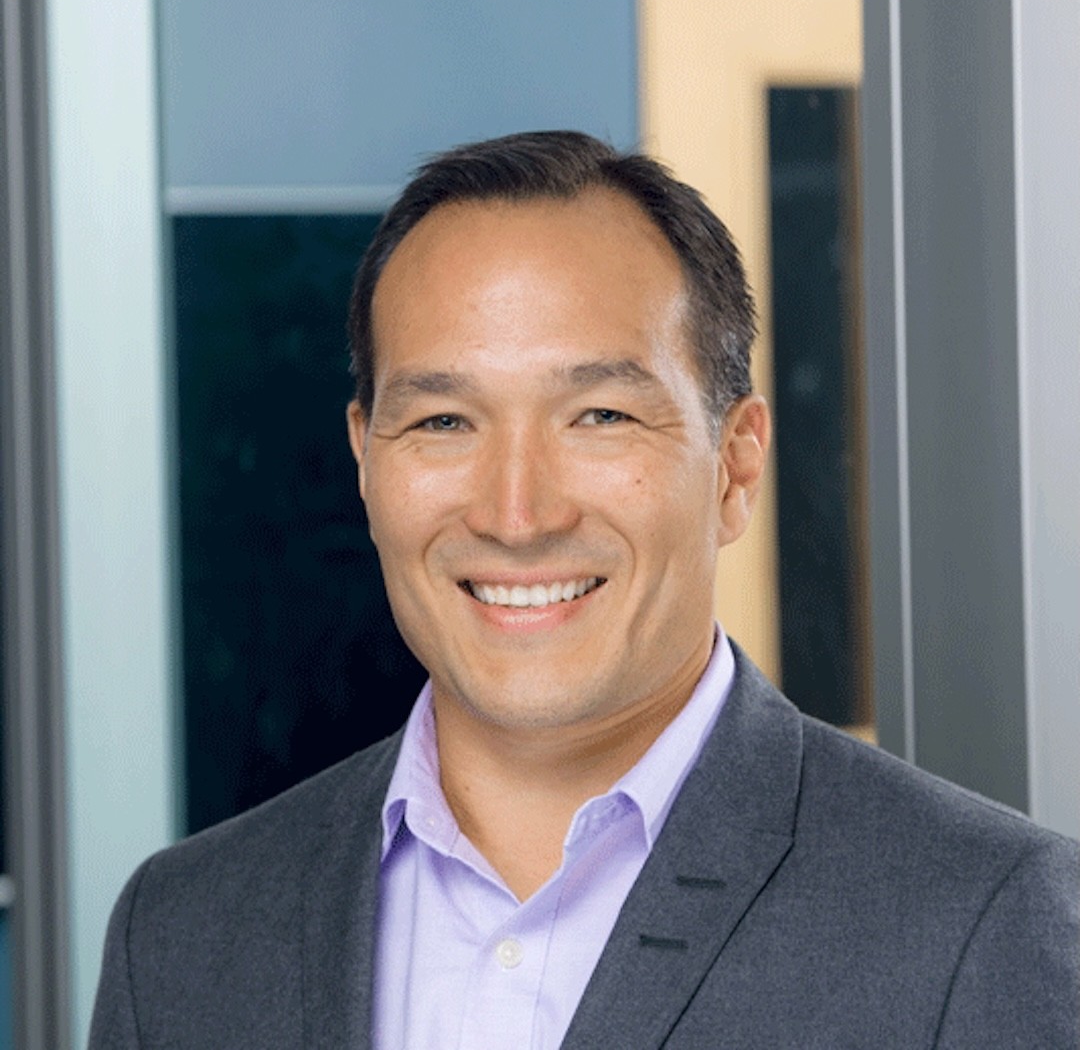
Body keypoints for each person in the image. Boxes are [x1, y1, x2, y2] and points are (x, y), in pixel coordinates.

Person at [90, 131, 1078, 1049]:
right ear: (364, 461)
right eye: (442, 422)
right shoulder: (179, 936)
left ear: (735, 467)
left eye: (599, 415)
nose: (516, 515)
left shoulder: (974, 919)